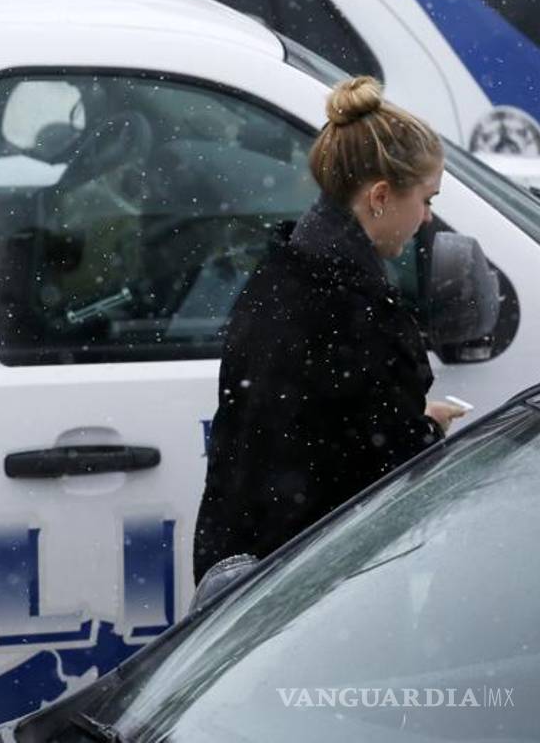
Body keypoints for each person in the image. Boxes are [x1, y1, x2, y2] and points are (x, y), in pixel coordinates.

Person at [192, 77, 468, 583]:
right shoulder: (351, 306)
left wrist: (403, 417)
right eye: (427, 199)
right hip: (312, 589)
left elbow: (313, 424)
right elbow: (384, 470)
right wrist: (422, 429)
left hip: (243, 572)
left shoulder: (284, 273)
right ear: (380, 196)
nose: (428, 219)